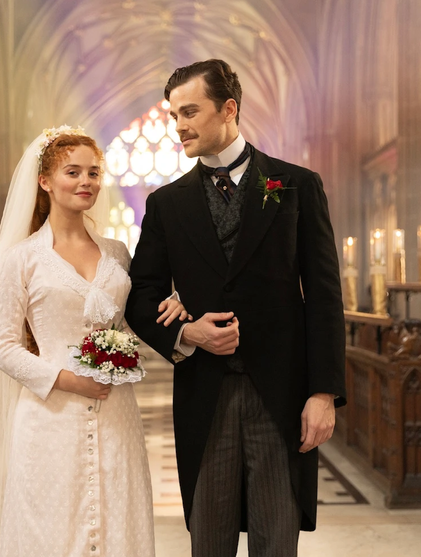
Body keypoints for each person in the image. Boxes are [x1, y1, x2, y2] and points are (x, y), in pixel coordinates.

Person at [125, 59, 347, 556]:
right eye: (173, 114)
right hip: (205, 396)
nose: (178, 125)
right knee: (209, 542)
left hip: (282, 397)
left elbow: (325, 298)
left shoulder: (296, 186)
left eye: (189, 112)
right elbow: (139, 296)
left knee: (276, 543)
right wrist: (187, 334)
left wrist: (324, 392)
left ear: (229, 108)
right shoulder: (166, 205)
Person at [0, 126, 189, 557]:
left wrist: (176, 310)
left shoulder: (116, 253)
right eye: (72, 172)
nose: (85, 182)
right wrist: (66, 379)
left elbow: (135, 318)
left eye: (94, 173)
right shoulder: (20, 259)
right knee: (52, 527)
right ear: (44, 181)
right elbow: (0, 345)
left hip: (116, 414)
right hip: (49, 415)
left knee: (118, 518)